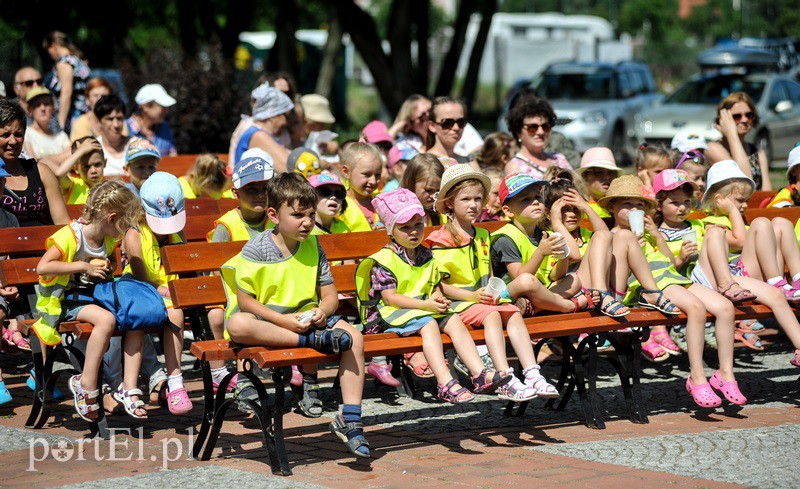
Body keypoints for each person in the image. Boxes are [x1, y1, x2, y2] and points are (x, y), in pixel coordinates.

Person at [224, 172, 370, 458]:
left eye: (311, 214)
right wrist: (285, 321)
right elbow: (246, 301)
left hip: (310, 320)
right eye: (298, 215)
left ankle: (350, 418)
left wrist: (322, 310)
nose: (307, 222)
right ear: (273, 214)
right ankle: (312, 341)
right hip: (272, 323)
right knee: (237, 324)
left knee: (355, 337)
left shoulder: (315, 245)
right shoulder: (257, 248)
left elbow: (329, 296)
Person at [356, 188, 512, 404]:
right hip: (392, 313)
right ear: (390, 230)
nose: (413, 231)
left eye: (418, 224)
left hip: (422, 308)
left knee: (454, 319)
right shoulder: (385, 260)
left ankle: (479, 373)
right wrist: (427, 305)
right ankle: (445, 383)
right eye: (405, 227)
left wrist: (438, 298)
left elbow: (434, 284)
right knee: (429, 324)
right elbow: (391, 298)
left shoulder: (425, 253)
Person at [427, 166, 557, 400]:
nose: (473, 205)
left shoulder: (483, 235)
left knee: (512, 313)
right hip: (458, 304)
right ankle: (504, 376)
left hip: (481, 301)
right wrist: (473, 297)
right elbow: (437, 284)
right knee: (493, 316)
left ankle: (532, 373)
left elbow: (487, 277)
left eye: (478, 199)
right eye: (465, 199)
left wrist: (491, 293)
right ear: (449, 204)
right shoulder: (441, 239)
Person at [34, 181, 145, 419]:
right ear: (112, 218)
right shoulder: (71, 236)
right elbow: (43, 267)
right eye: (124, 224)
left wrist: (108, 266)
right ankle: (86, 383)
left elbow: (112, 266)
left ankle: (127, 387)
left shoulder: (107, 238)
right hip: (65, 301)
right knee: (106, 321)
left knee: (134, 317)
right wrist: (83, 266)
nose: (125, 231)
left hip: (93, 298)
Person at [698, 161, 800, 367]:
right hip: (734, 279)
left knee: (781, 223)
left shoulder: (736, 219)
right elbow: (741, 240)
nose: (745, 205)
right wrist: (733, 213)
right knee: (761, 223)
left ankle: (797, 278)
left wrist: (735, 212)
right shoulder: (711, 223)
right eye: (739, 201)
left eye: (747, 200)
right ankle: (776, 281)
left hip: (754, 276)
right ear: (719, 200)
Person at [206, 150, 274, 409]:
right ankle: (245, 378)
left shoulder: (276, 219)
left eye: (265, 188)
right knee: (238, 315)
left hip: (270, 290)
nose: (259, 194)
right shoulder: (227, 226)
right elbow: (215, 267)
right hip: (235, 292)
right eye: (251, 189)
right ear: (235, 193)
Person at [122, 172, 193, 414]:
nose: (166, 231)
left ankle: (174, 382)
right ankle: (170, 381)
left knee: (178, 312)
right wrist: (164, 290)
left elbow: (184, 268)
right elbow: (141, 278)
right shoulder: (135, 235)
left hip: (171, 295)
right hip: (142, 292)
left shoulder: (177, 233)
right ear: (143, 212)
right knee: (173, 312)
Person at [0, 99, 69, 226]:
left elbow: (63, 223)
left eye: (18, 134)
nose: (13, 141)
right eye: (5, 135)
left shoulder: (41, 171)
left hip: (47, 244)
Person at [706, 92, 770, 191]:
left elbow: (767, 193)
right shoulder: (713, 148)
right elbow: (744, 183)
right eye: (737, 116)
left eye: (749, 115)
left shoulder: (758, 153)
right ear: (723, 119)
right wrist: (732, 135)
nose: (744, 120)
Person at [504, 93, 572, 179]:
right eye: (532, 127)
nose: (541, 132)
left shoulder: (559, 158)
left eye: (545, 126)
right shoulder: (514, 167)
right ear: (518, 131)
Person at [233, 83, 294, 171]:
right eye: (286, 116)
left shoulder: (261, 134)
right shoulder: (257, 135)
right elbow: (289, 168)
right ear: (273, 114)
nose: (287, 122)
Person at [42, 31, 91, 132]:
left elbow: (66, 92)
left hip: (72, 117)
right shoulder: (78, 61)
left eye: (48, 50)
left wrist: (61, 122)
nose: (50, 55)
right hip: (85, 114)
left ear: (54, 45)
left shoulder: (64, 63)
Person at [339, 142, 384, 232]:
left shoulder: (383, 202)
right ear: (346, 172)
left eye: (378, 175)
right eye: (367, 174)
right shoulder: (338, 204)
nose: (373, 181)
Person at [126, 84, 177, 157]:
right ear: (145, 106)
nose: (166, 111)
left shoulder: (165, 128)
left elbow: (173, 158)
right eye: (162, 107)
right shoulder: (123, 128)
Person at [70, 77, 127, 142]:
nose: (99, 99)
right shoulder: (81, 123)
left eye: (103, 96)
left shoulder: (118, 120)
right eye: (95, 96)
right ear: (88, 100)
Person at [51, 136, 105, 205]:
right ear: (76, 168)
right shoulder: (73, 185)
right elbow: (59, 174)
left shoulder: (109, 188)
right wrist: (80, 151)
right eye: (86, 166)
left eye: (97, 164)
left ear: (105, 163)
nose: (93, 171)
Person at [22, 87, 70, 162]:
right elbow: (34, 164)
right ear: (29, 110)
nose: (43, 108)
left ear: (53, 108)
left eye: (47, 104)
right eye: (37, 105)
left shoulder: (61, 136)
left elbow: (71, 157)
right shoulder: (25, 134)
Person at [425, 97, 474, 169]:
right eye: (448, 123)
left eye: (461, 122)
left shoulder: (468, 161)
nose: (456, 128)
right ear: (432, 126)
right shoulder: (425, 163)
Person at [576, 147, 623, 219]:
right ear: (584, 176)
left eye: (611, 173)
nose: (607, 177)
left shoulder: (621, 207)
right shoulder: (576, 208)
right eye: (599, 173)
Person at [401, 153, 446, 227]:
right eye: (428, 190)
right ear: (409, 182)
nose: (433, 196)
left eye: (438, 190)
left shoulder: (442, 214)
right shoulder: (400, 214)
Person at [13, 67, 61, 134]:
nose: (35, 86)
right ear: (16, 89)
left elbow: (58, 134)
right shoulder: (11, 111)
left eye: (39, 82)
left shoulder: (48, 107)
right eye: (29, 83)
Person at [94, 94, 130, 176]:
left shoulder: (136, 146)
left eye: (119, 118)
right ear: (99, 122)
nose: (116, 125)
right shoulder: (93, 148)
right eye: (110, 119)